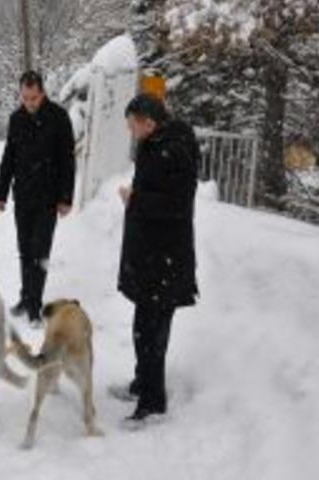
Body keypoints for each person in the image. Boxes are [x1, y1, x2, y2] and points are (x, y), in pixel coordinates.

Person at [111, 94, 200, 427]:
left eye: (132, 124)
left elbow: (177, 204)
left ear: (147, 121)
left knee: (153, 333)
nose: (130, 130)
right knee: (142, 327)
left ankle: (153, 403)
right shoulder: (155, 143)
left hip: (165, 259)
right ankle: (141, 383)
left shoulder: (175, 148)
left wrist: (137, 200)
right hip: (150, 257)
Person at [0, 70, 76, 325]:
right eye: (25, 98)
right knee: (24, 251)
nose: (29, 103)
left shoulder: (58, 117)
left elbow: (68, 161)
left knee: (40, 252)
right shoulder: (16, 119)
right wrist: (1, 192)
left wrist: (66, 197)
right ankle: (25, 296)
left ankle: (34, 305)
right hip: (23, 196)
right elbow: (9, 157)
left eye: (33, 98)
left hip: (48, 198)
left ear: (42, 93)